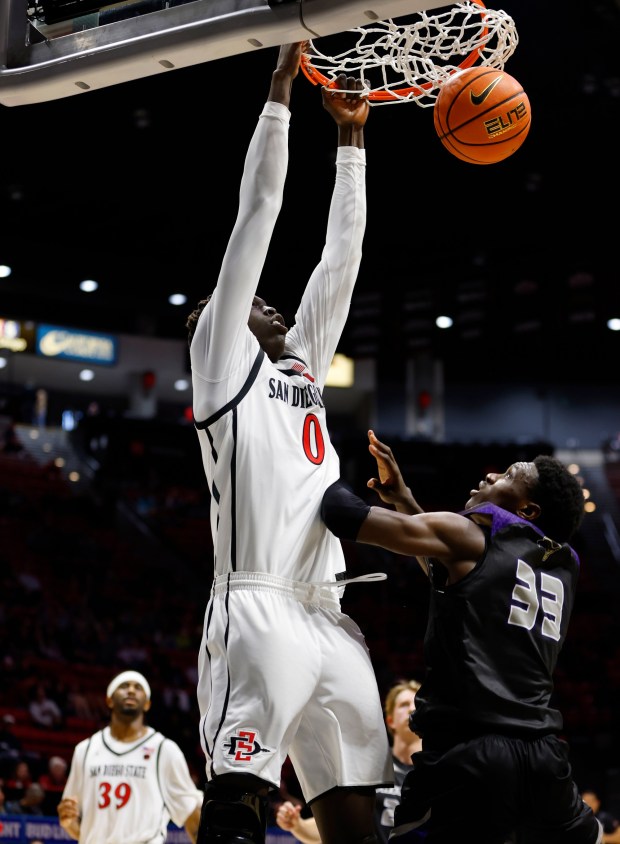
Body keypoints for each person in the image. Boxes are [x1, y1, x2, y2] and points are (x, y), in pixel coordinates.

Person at [185, 40, 392, 844]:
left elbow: (341, 261)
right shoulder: (220, 366)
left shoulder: (299, 365)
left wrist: (352, 141)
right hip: (259, 601)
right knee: (237, 809)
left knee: (356, 819)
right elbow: (258, 214)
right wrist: (278, 89)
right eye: (241, 299)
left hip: (330, 616)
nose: (262, 300)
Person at [321, 430, 603, 844]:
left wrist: (312, 460)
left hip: (472, 754)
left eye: (508, 475)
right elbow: (458, 572)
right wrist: (405, 500)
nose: (490, 474)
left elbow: (341, 513)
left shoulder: (472, 534)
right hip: (544, 759)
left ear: (527, 509)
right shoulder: (562, 566)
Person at [57, 670, 202, 844]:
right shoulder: (85, 749)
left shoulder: (164, 750)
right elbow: (77, 827)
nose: (131, 690)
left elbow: (193, 817)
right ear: (109, 700)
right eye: (124, 686)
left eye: (138, 687)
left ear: (147, 704)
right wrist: (68, 822)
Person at [276, 680, 424, 844]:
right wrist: (298, 825)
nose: (411, 709)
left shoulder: (435, 771)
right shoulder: (372, 764)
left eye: (416, 704)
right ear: (390, 721)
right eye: (403, 705)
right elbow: (337, 826)